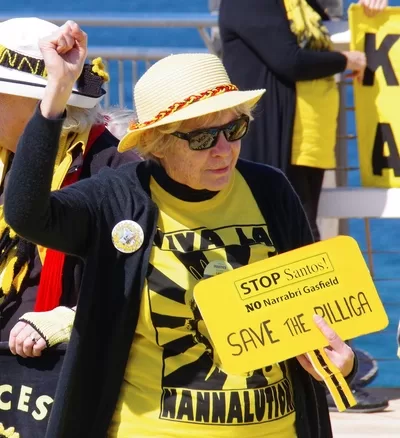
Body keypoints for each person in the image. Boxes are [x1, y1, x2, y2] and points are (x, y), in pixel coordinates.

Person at [4, 21, 357, 438]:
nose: (225, 150)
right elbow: (27, 213)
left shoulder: (269, 189)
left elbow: (309, 306)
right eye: (203, 138)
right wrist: (55, 98)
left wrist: (341, 365)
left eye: (235, 128)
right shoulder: (120, 197)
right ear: (157, 142)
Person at [219, 0, 388, 413]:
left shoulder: (299, 4)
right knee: (289, 260)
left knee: (303, 256)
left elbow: (327, 13)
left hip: (302, 144)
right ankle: (325, 378)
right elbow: (288, 59)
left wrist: (369, 4)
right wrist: (344, 58)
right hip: (273, 144)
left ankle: (326, 374)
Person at [0, 16, 140, 434]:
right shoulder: (6, 157)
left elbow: (141, 286)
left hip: (58, 379)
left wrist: (67, 318)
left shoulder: (114, 172)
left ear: (37, 105)